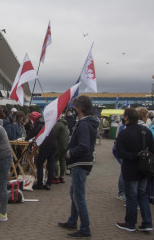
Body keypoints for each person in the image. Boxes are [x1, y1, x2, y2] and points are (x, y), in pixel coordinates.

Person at [59, 95, 97, 239]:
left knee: (78, 196)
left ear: (80, 108)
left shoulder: (83, 124)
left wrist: (70, 153)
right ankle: (72, 221)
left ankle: (85, 228)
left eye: (74, 107)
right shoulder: (86, 123)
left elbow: (84, 145)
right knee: (74, 193)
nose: (72, 109)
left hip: (80, 163)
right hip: (82, 163)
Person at [115, 108, 154, 232]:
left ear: (126, 117)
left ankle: (130, 223)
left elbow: (120, 152)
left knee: (131, 196)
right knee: (142, 195)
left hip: (130, 168)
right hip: (144, 168)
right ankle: (147, 222)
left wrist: (133, 155)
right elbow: (152, 150)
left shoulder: (124, 133)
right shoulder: (146, 131)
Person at [27, 112, 58, 191]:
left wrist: (26, 139)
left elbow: (34, 132)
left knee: (39, 163)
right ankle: (48, 183)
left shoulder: (39, 123)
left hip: (45, 145)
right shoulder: (47, 121)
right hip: (53, 144)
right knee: (50, 164)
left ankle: (40, 183)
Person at [53, 116, 69, 184]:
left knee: (54, 160)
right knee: (62, 160)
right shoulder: (65, 124)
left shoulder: (58, 124)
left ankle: (56, 177)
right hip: (65, 145)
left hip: (59, 145)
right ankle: (61, 177)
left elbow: (54, 134)